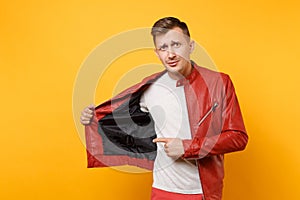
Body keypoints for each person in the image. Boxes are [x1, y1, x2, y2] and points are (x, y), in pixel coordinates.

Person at [80, 17, 248, 200]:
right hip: (162, 189)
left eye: (176, 44)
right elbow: (122, 121)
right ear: (157, 53)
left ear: (190, 46)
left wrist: (186, 147)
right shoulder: (149, 87)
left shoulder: (219, 83)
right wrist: (93, 118)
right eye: (163, 48)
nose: (171, 54)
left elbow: (238, 137)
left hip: (202, 192)